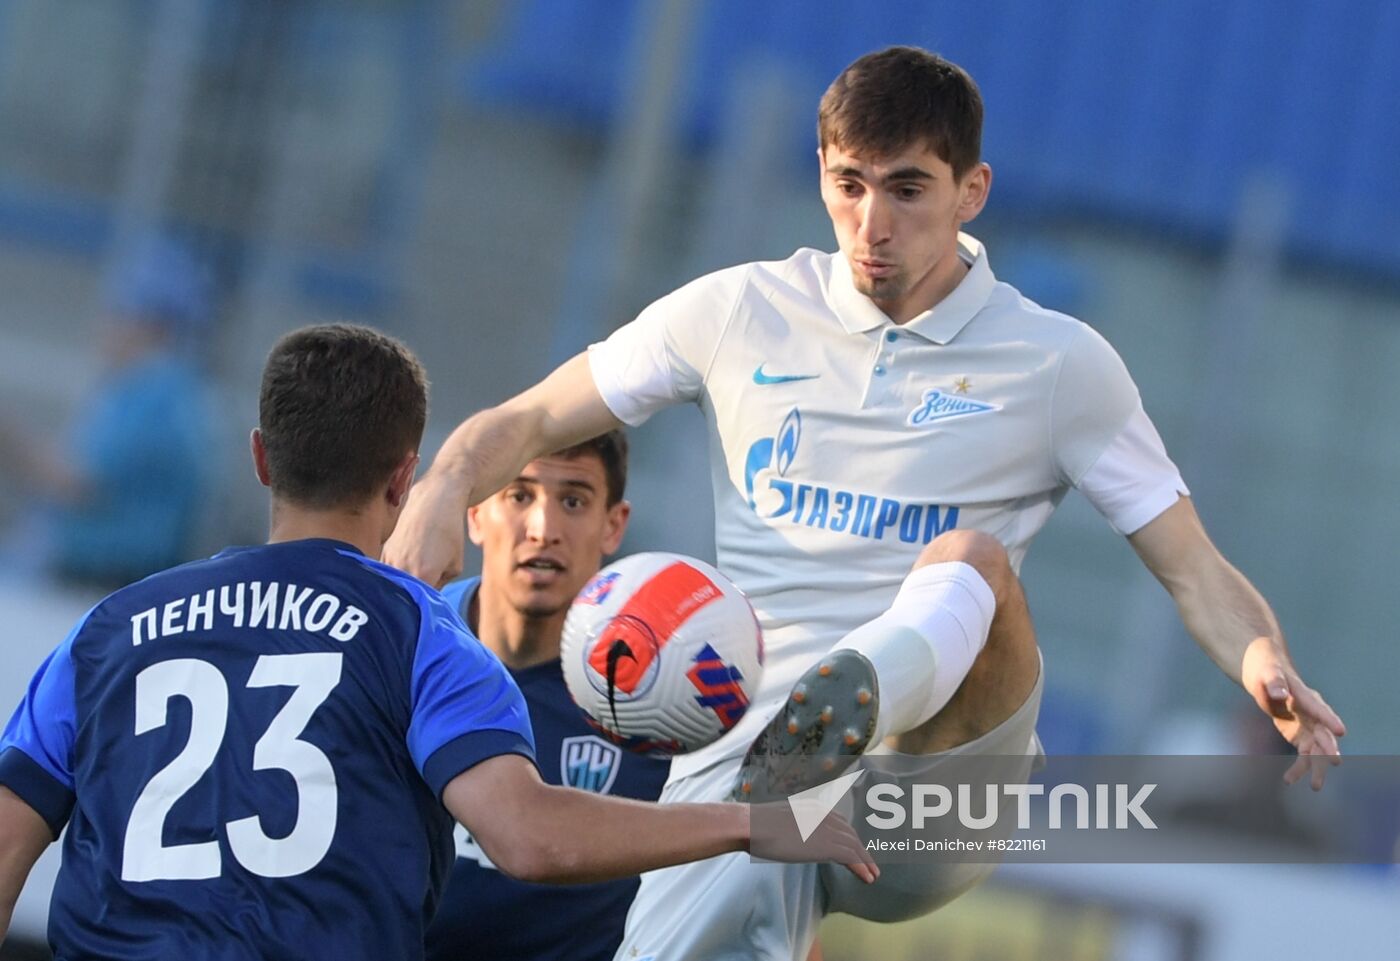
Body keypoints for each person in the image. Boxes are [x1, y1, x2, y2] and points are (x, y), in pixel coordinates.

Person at [384, 46, 1345, 961]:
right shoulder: (739, 311)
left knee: (971, 559)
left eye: (906, 188)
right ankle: (796, 751)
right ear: (821, 177)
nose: (872, 223)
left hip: (934, 785)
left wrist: (1264, 659)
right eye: (849, 183)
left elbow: (1191, 564)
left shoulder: (1060, 364)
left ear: (972, 190)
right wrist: (440, 487)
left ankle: (851, 700)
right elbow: (532, 416)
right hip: (752, 766)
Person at [0, 324, 872, 960]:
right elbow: (529, 838)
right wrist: (755, 824)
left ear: (263, 458)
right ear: (403, 476)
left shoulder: (109, 629)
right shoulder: (421, 633)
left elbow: (9, 840)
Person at [424, 430, 671, 961]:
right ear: (474, 514)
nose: (543, 529)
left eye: (573, 501)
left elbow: (765, 893)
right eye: (519, 495)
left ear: (613, 525)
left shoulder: (663, 694)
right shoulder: (405, 649)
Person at [0, 234, 212, 588]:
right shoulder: (149, 390)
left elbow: (76, 485)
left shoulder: (159, 390)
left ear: (152, 323)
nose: (105, 325)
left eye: (118, 313)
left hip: (102, 584)